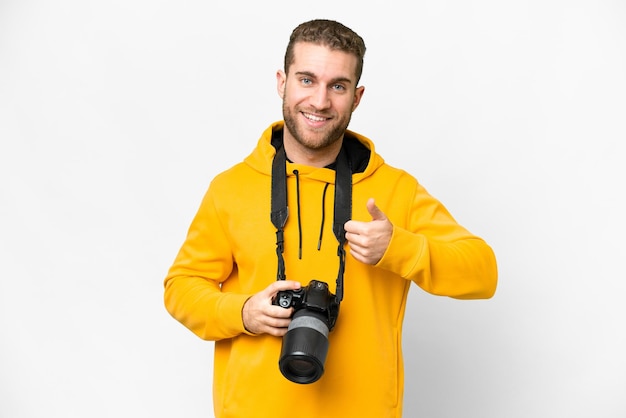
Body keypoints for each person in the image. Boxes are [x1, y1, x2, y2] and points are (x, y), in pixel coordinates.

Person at [164, 18, 497, 418]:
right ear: (281, 82)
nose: (320, 101)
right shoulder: (230, 188)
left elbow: (483, 273)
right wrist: (242, 313)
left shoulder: (395, 190)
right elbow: (181, 287)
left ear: (356, 97)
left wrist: (400, 248)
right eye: (306, 79)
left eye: (337, 86)